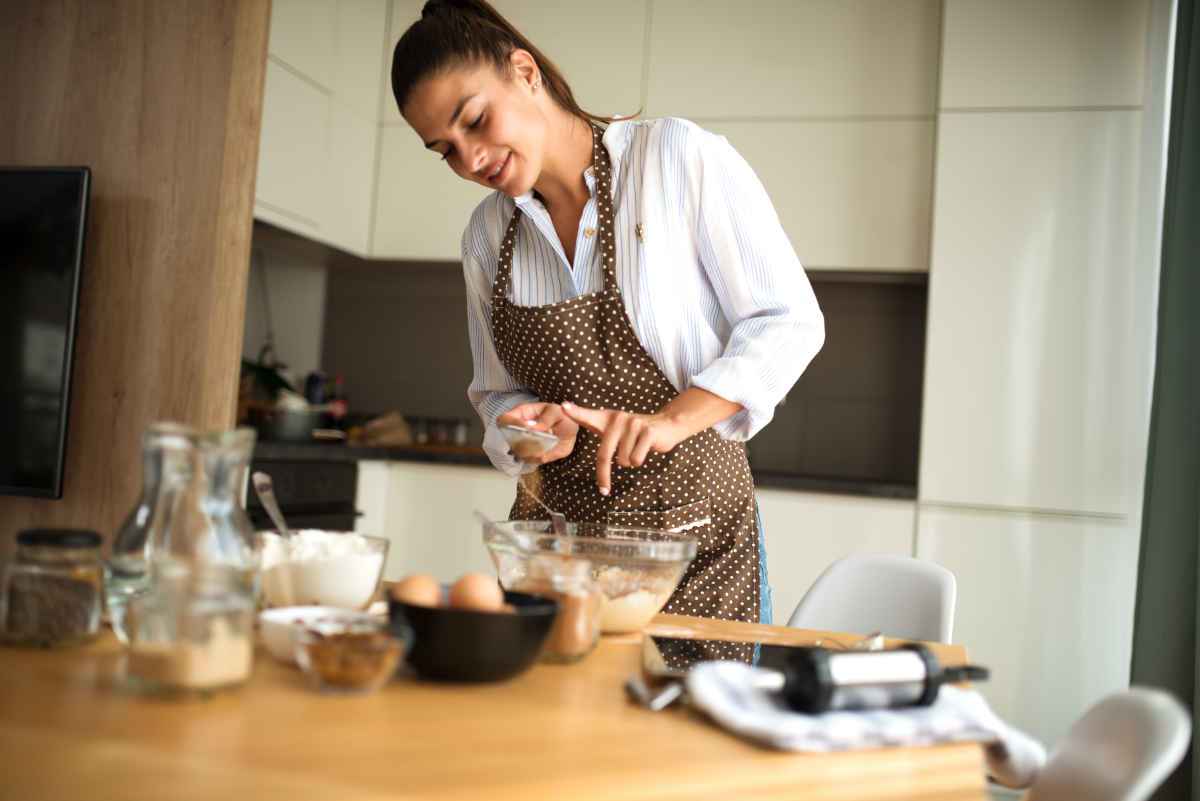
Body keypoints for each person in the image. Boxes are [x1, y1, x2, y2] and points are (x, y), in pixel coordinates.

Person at [391, 0, 823, 625]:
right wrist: (527, 425)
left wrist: (674, 420)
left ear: (525, 71)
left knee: (681, 721)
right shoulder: (488, 236)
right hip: (553, 558)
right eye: (445, 150)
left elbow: (787, 320)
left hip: (694, 549)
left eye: (476, 121)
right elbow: (493, 393)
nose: (471, 160)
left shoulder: (674, 159)